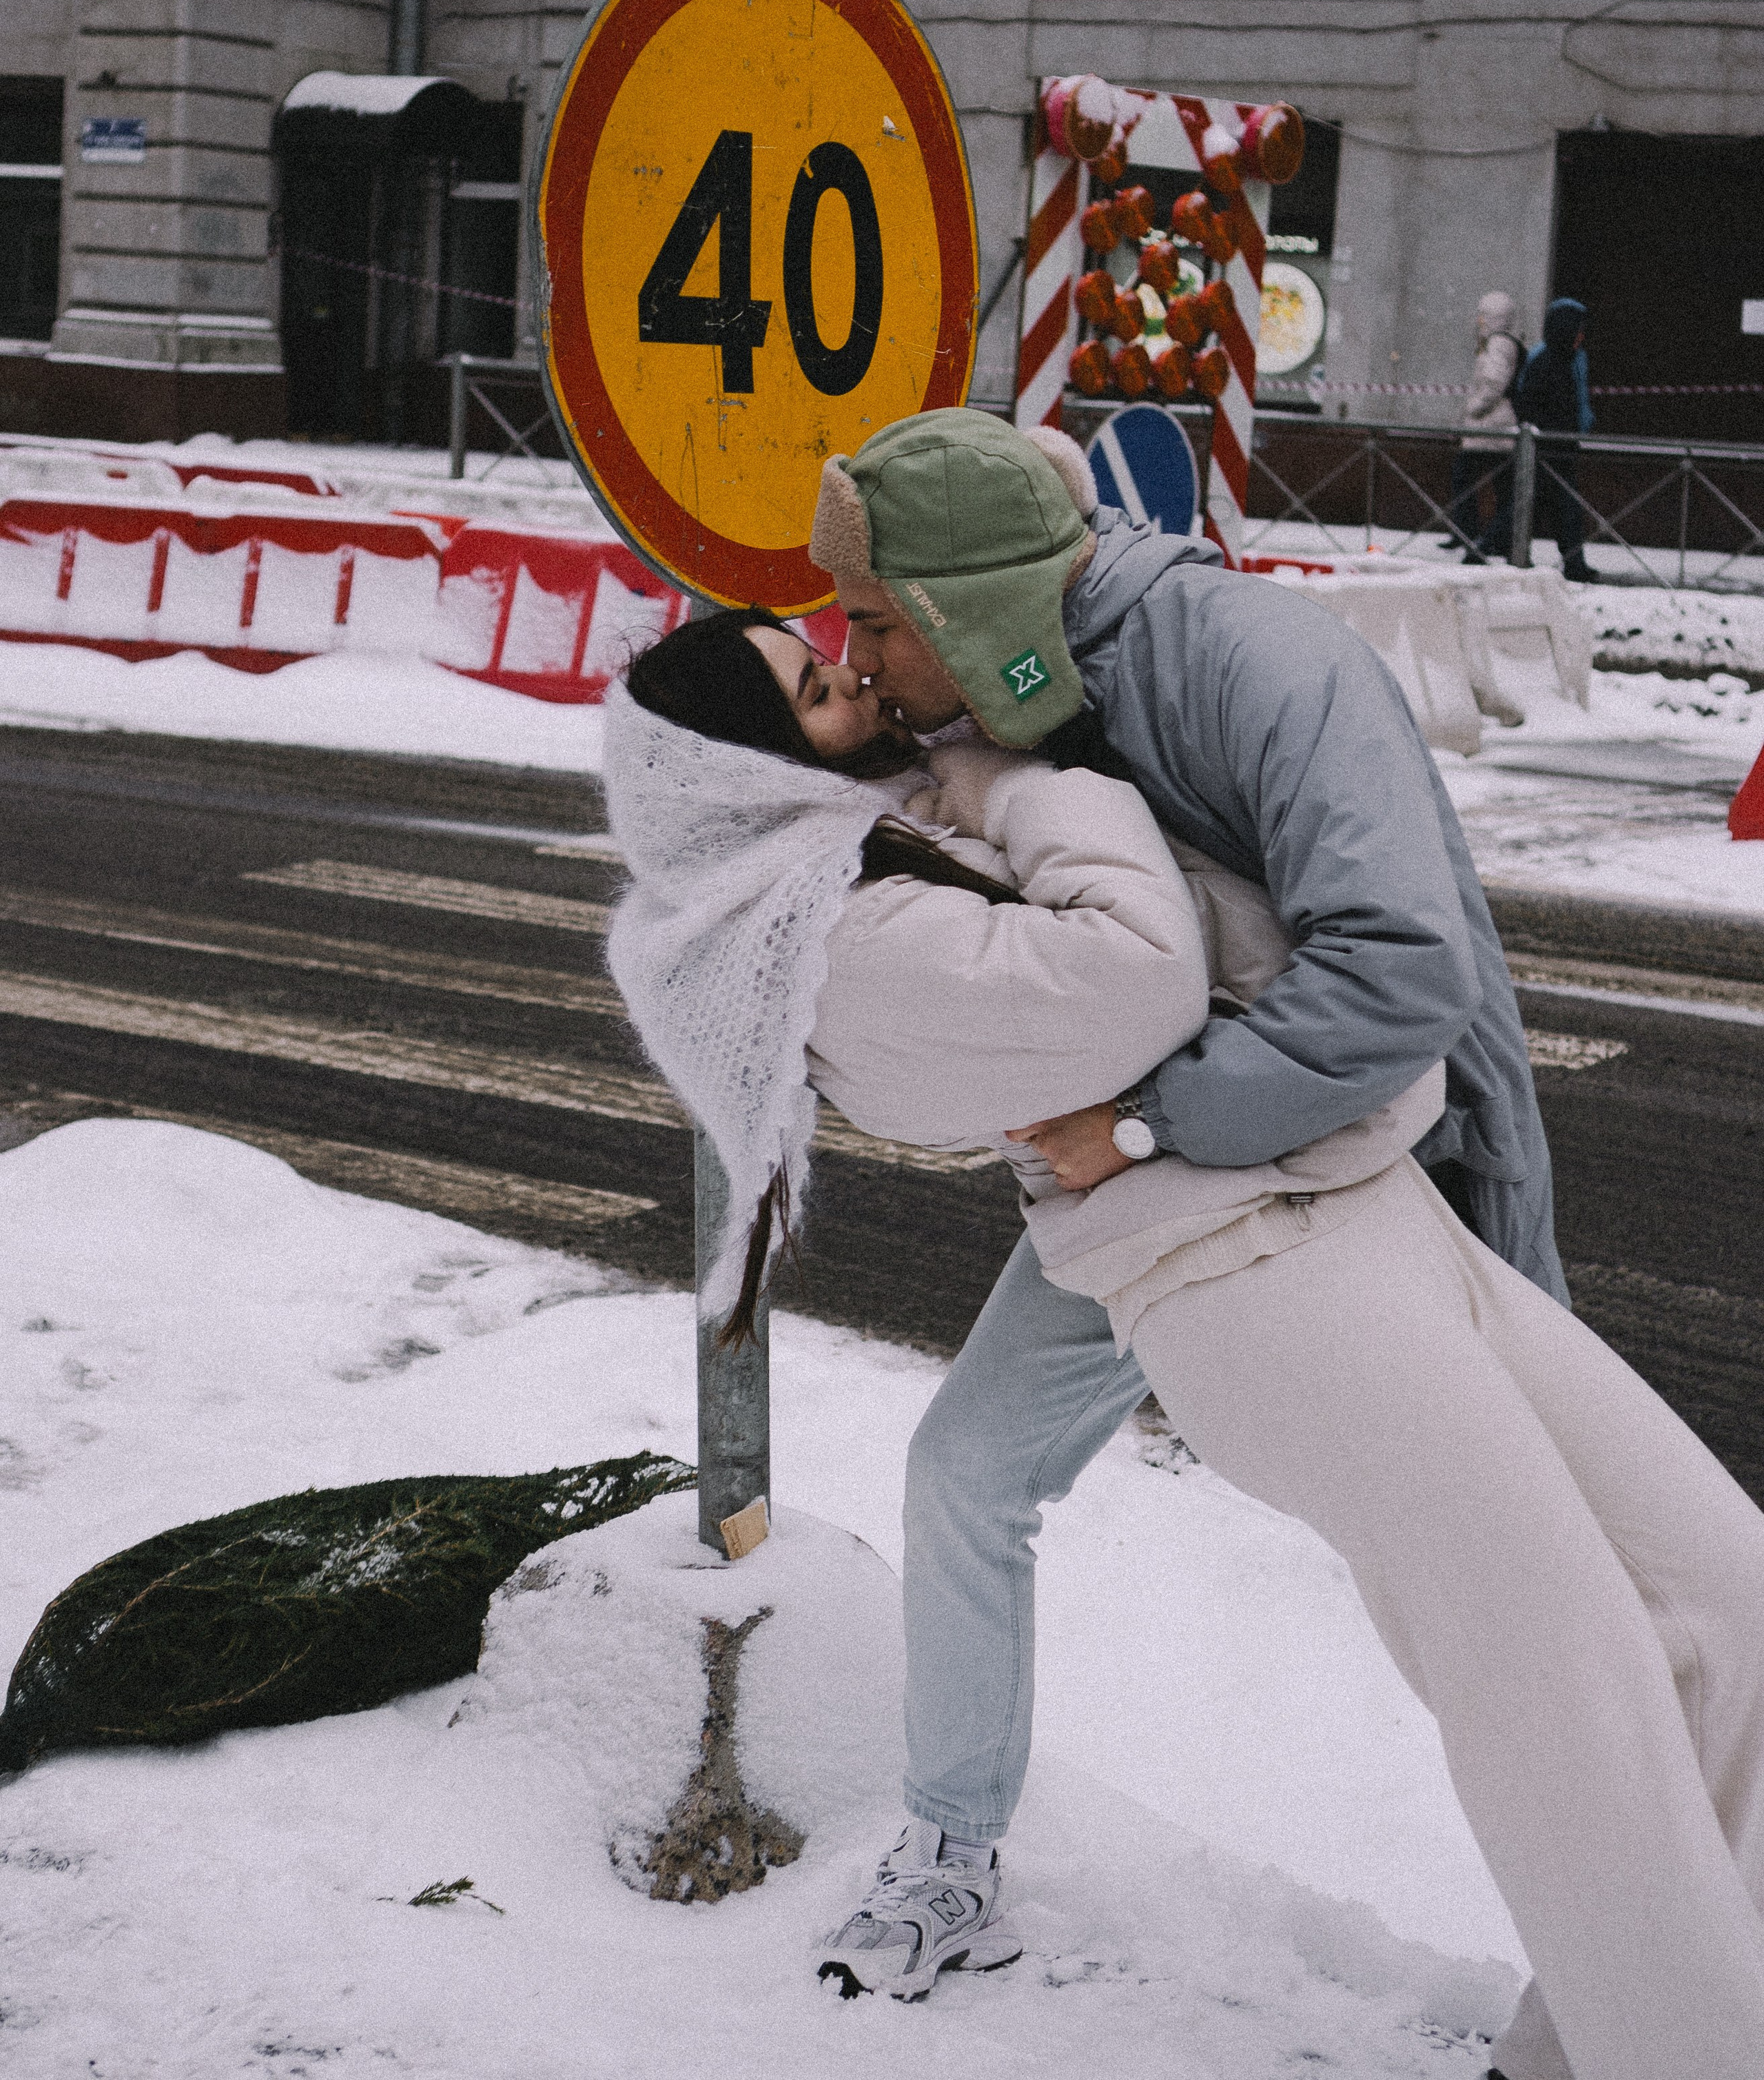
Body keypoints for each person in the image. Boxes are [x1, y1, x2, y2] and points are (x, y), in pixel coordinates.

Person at [602, 614, 1764, 2080]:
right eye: (812, 691)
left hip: (1363, 1202)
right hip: (1251, 1278)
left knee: (1727, 1605)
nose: (852, 680)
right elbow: (1141, 978)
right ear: (741, 769)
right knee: (1565, 1683)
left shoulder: (894, 834)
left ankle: (1584, 2045)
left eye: (837, 655)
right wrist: (1018, 765)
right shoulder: (837, 944)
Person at [1512, 298, 1597, 582]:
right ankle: (1493, 548)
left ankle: (1572, 564)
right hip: (1547, 450)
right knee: (1549, 507)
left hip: (1560, 449)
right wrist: (1544, 434)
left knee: (1556, 508)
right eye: (1577, 329)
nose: (1582, 336)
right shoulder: (1547, 361)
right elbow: (1529, 403)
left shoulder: (1568, 361)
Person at [1447, 290, 1524, 562]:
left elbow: (1493, 383)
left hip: (1489, 428)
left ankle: (1472, 538)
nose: (1478, 320)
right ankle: (1492, 540)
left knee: (1464, 479)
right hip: (1496, 427)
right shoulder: (1502, 343)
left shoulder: (1498, 345)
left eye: (1482, 314)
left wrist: (1473, 409)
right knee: (1502, 487)